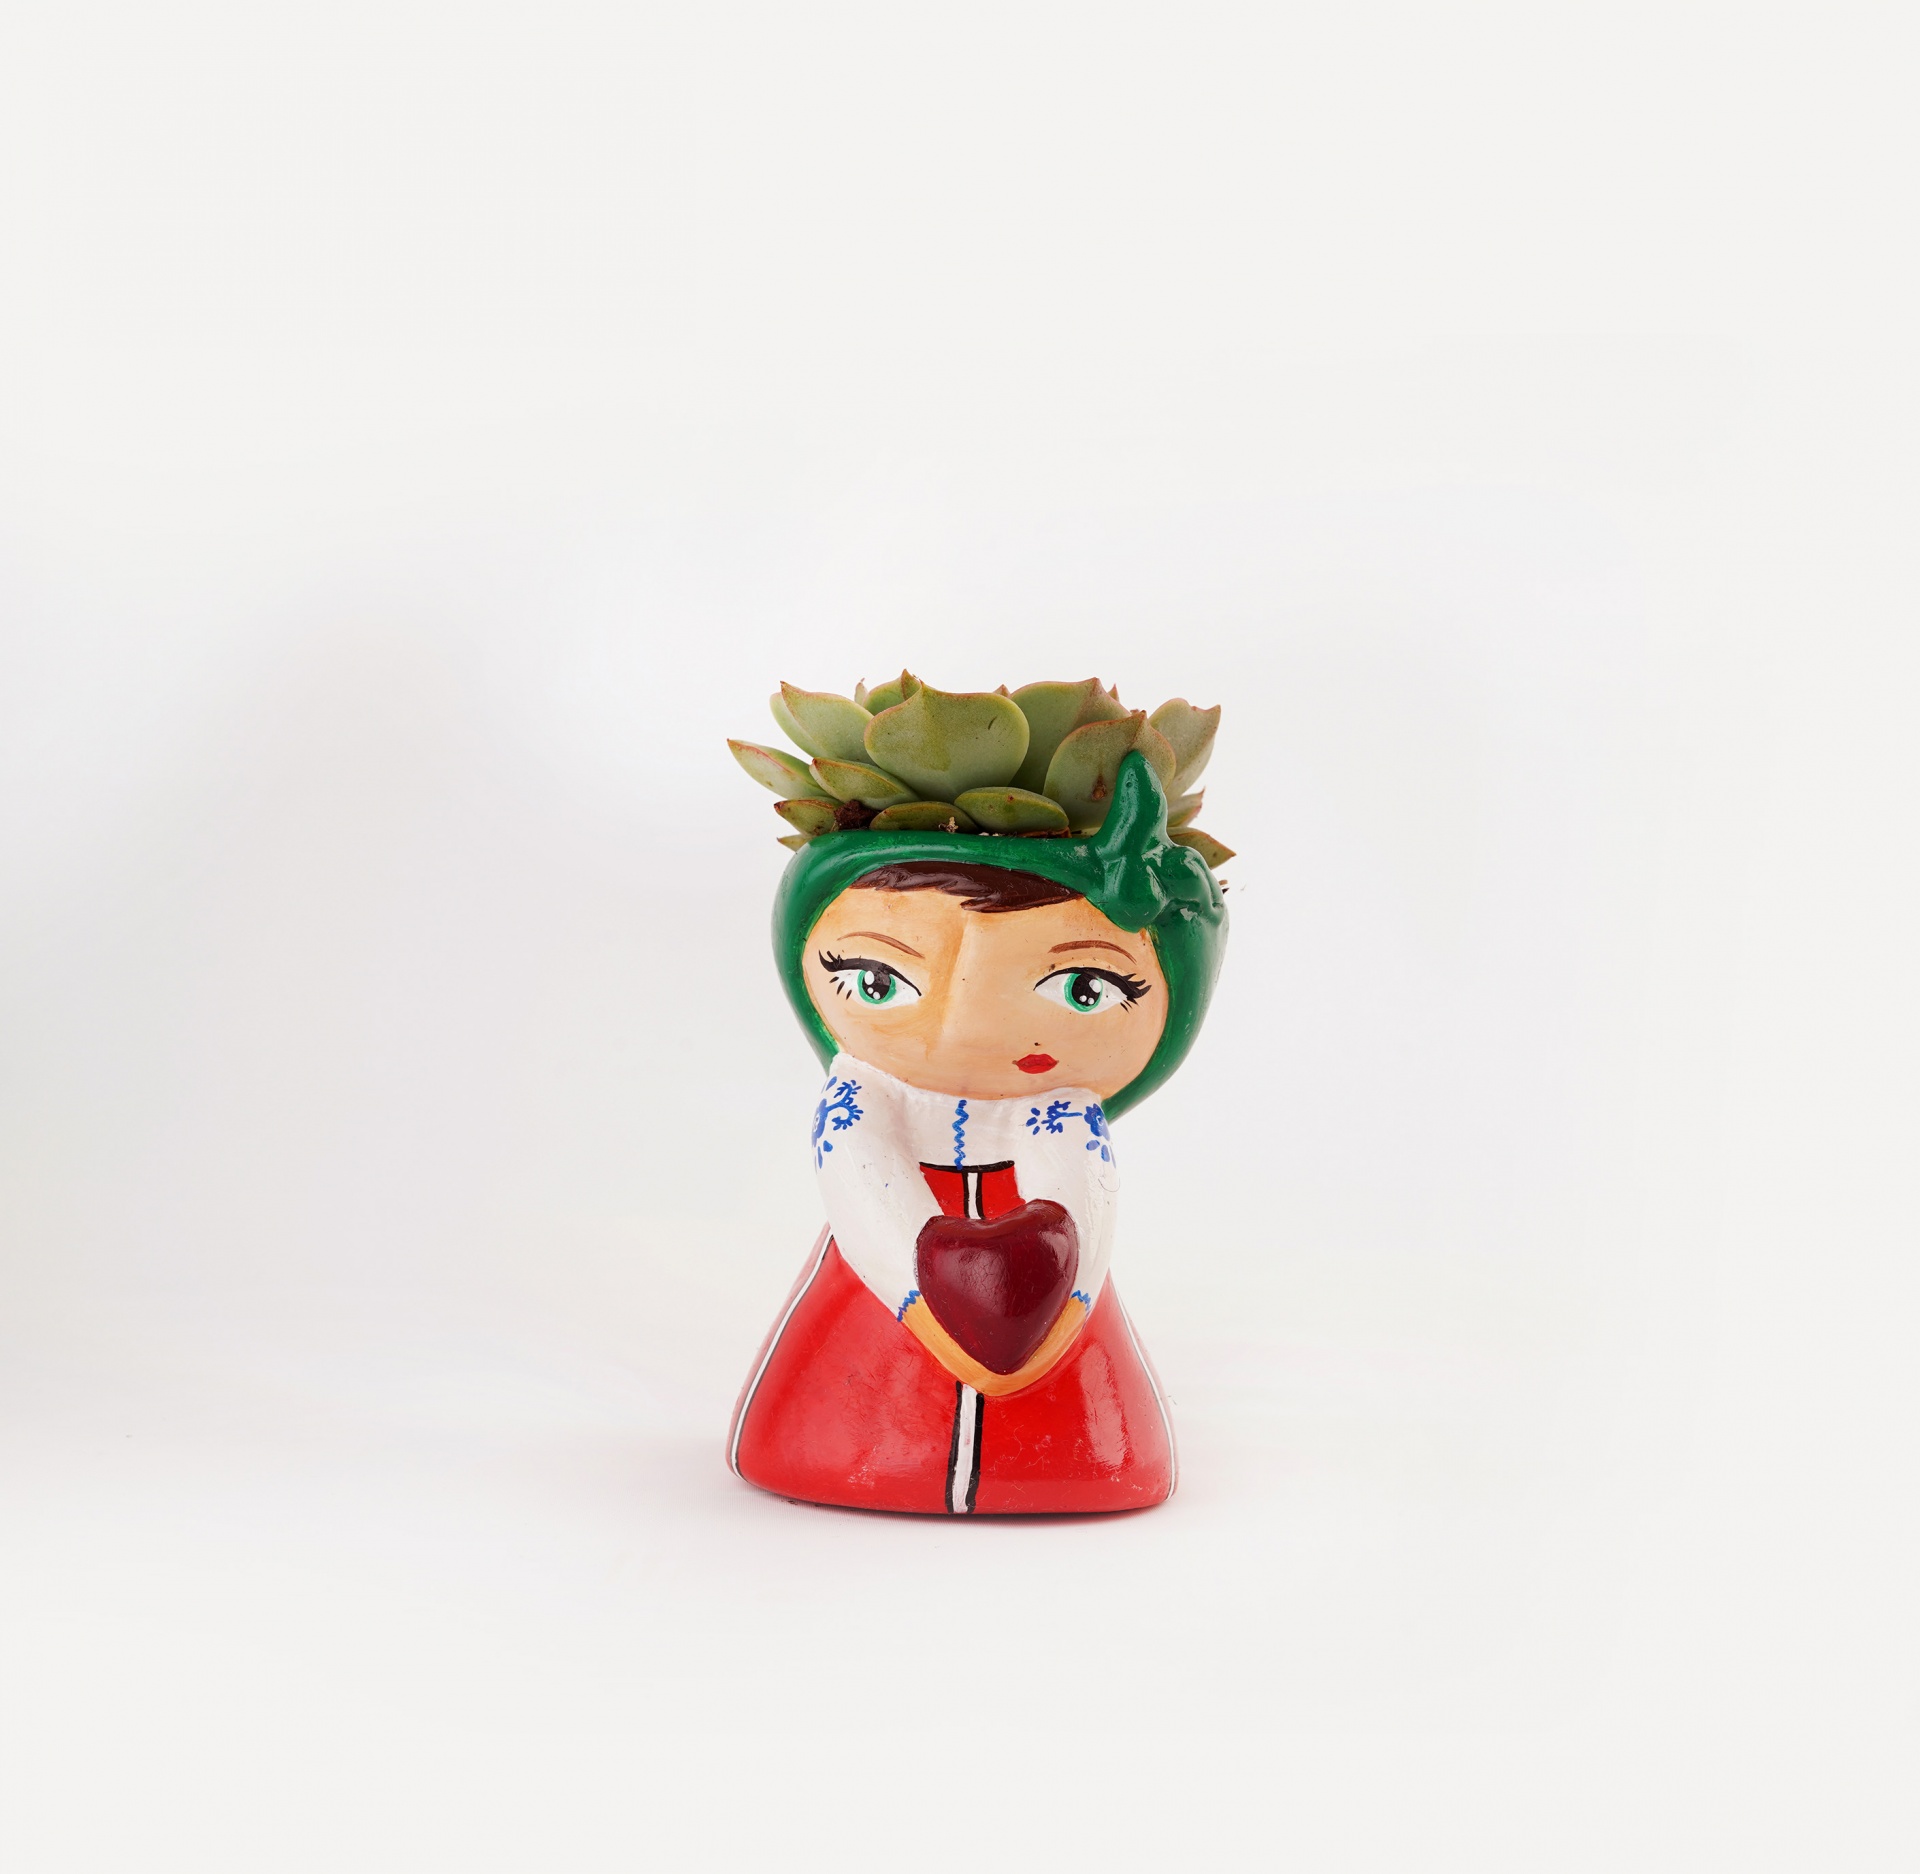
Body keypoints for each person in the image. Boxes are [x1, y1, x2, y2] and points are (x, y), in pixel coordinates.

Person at [729, 753, 1227, 1515]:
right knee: (829, 1424)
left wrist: (1055, 1308)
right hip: (866, 1328)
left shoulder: (1066, 1124)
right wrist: (927, 1305)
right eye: (878, 979)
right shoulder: (860, 1108)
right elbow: (864, 1200)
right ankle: (839, 1439)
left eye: (1083, 988)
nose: (968, 1028)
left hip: (1056, 1337)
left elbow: (1082, 1214)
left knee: (1091, 1434)